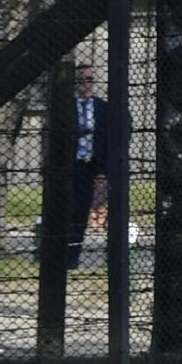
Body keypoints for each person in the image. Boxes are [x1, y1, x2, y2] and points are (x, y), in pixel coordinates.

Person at [62, 64, 123, 268]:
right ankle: (69, 257)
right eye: (82, 80)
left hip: (96, 165)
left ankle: (109, 259)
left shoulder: (101, 107)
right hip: (75, 165)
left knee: (99, 210)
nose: (86, 84)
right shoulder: (66, 107)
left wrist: (104, 172)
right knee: (74, 211)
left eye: (90, 80)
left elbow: (107, 140)